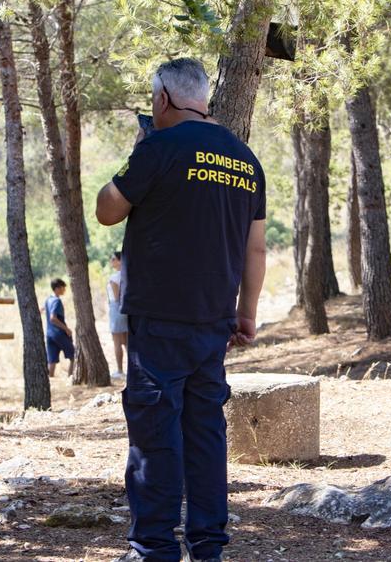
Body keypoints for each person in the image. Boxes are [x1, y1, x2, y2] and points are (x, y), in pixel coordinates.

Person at [95, 57, 267, 562]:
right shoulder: (244, 159)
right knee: (206, 435)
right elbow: (256, 249)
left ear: (163, 99)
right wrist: (246, 312)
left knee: (154, 433)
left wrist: (136, 155)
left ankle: (153, 548)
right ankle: (208, 547)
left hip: (159, 319)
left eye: (153, 101)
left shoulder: (159, 147)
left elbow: (107, 210)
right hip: (214, 320)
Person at [44, 278, 74, 377]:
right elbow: (53, 318)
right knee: (74, 356)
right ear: (57, 288)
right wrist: (66, 329)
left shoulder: (48, 299)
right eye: (63, 288)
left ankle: (50, 381)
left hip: (49, 334)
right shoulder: (57, 301)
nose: (64, 290)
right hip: (59, 333)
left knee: (52, 361)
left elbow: (42, 310)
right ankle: (71, 378)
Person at [108, 251, 129, 380]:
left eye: (114, 259)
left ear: (120, 261)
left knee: (117, 342)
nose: (112, 261)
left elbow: (116, 297)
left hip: (116, 309)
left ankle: (120, 370)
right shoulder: (127, 275)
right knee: (127, 342)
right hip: (127, 309)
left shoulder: (114, 278)